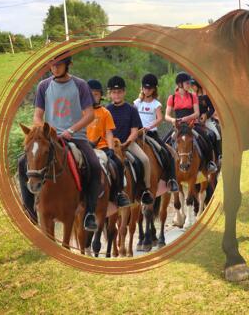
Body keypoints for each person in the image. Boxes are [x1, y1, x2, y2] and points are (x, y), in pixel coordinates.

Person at [17, 54, 105, 232]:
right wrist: (44, 130)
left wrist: (71, 130)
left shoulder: (80, 85)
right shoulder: (43, 86)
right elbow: (37, 115)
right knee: (22, 162)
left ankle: (88, 213)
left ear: (68, 65)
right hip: (49, 137)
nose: (54, 68)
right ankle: (30, 211)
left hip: (77, 136)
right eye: (52, 65)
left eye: (58, 64)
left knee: (95, 165)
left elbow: (90, 115)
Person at [105, 76, 154, 205]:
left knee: (144, 160)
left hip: (128, 144)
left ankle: (145, 190)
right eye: (114, 92)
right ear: (109, 94)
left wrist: (126, 143)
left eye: (119, 92)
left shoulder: (132, 110)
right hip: (110, 144)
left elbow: (134, 131)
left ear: (124, 92)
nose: (117, 95)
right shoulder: (106, 110)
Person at [85, 79, 131, 208]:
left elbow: (109, 133)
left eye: (96, 94)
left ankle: (118, 193)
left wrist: (111, 149)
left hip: (102, 147)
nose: (93, 97)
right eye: (90, 94)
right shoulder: (80, 112)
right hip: (85, 147)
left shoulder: (105, 113)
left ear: (101, 96)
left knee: (117, 164)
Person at [134, 73, 179, 192]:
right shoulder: (137, 102)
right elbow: (132, 116)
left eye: (149, 88)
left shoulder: (156, 104)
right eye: (144, 88)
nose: (146, 90)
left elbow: (160, 119)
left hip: (151, 134)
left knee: (167, 153)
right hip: (137, 134)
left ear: (153, 89)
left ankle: (172, 180)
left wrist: (148, 127)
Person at [164, 72, 217, 172]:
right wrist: (173, 120)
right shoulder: (172, 97)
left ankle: (209, 163)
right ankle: (166, 171)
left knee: (206, 137)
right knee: (164, 142)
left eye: (189, 83)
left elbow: (197, 113)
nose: (189, 85)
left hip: (191, 125)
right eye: (187, 83)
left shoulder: (193, 96)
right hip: (178, 127)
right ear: (180, 84)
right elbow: (166, 116)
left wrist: (186, 118)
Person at [190, 79, 222, 164]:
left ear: (198, 85)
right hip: (194, 121)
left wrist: (206, 115)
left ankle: (219, 155)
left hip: (206, 121)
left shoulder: (205, 97)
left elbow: (212, 109)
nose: (192, 87)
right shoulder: (192, 97)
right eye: (191, 85)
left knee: (217, 135)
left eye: (193, 85)